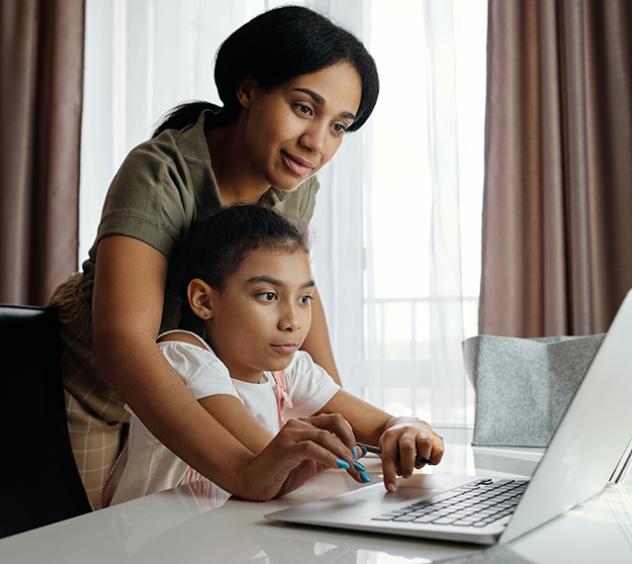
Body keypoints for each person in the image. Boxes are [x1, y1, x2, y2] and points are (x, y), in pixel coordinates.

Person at [48, 5, 430, 508]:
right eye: (304, 108)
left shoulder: (296, 182)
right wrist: (242, 471)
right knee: (90, 540)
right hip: (98, 381)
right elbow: (123, 343)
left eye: (340, 126)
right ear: (247, 91)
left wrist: (340, 423)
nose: (317, 143)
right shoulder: (160, 171)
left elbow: (298, 300)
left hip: (199, 379)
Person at [106, 206, 445, 505]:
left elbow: (381, 424)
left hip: (230, 538)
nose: (293, 321)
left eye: (304, 298)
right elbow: (267, 462)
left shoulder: (288, 371)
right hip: (158, 543)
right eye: (268, 296)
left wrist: (408, 429)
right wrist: (334, 448)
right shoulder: (182, 357)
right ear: (204, 300)